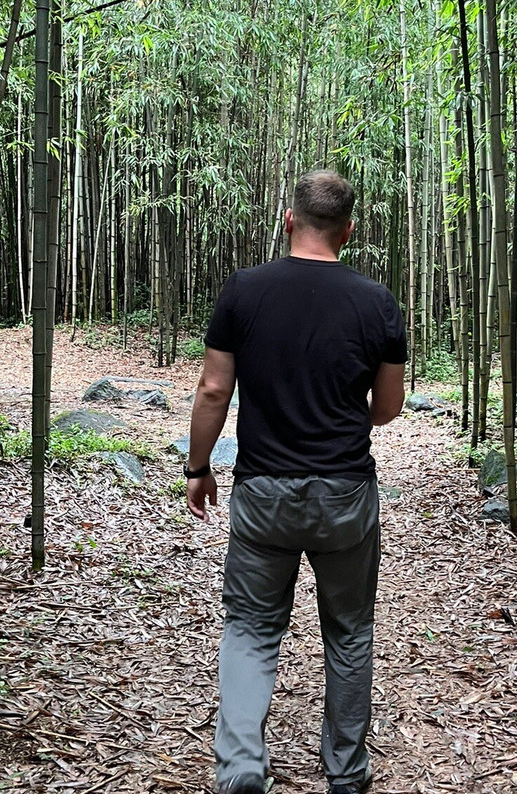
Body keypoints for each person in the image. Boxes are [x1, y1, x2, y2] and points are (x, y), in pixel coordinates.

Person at [184, 170, 407, 794]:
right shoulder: (377, 303)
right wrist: (337, 416)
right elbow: (387, 407)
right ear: (349, 230)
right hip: (345, 494)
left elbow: (212, 390)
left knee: (251, 628)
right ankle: (345, 775)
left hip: (263, 492)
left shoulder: (243, 291)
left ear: (288, 219)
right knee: (349, 630)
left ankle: (241, 769)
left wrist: (198, 468)